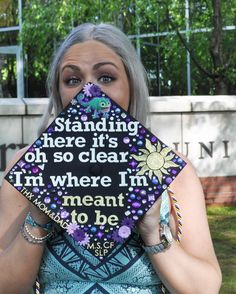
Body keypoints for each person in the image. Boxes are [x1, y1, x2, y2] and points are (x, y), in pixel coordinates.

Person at [0, 23, 221, 294]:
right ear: (58, 92)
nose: (89, 92)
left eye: (106, 77)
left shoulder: (169, 169)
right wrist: (38, 218)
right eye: (72, 80)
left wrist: (153, 233)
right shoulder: (30, 166)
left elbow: (206, 288)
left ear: (131, 85)